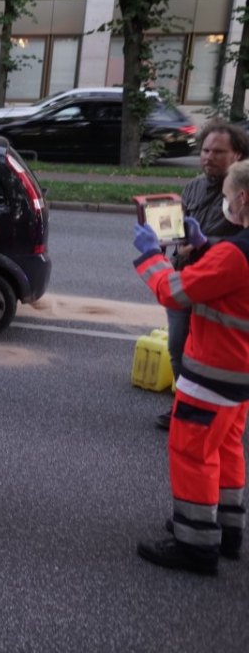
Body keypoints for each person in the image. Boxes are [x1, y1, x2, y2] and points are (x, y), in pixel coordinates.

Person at [132, 158, 249, 575]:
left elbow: (174, 291)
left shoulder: (236, 255)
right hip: (239, 377)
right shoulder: (233, 253)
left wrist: (150, 256)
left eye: (226, 197)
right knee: (227, 448)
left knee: (192, 453)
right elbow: (228, 286)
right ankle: (227, 531)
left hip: (212, 373)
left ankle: (195, 544)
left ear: (243, 198)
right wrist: (204, 249)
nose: (224, 205)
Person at [156, 122, 248, 430]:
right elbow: (177, 227)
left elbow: (242, 244)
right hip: (188, 279)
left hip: (223, 290)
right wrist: (164, 235)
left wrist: (202, 244)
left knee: (221, 355)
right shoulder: (193, 186)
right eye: (206, 150)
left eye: (219, 152)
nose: (209, 157)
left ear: (237, 154)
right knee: (178, 346)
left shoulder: (241, 190)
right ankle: (184, 405)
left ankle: (223, 413)